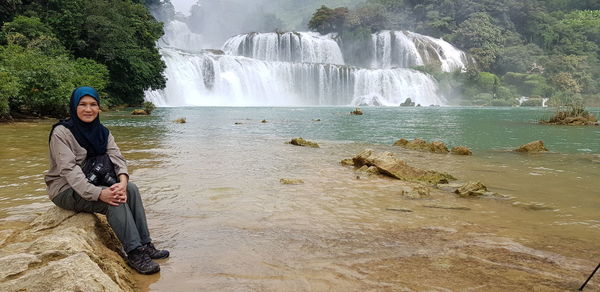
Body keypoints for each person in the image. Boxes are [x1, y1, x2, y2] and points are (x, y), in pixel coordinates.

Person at [45, 86, 169, 275]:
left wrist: (123, 181)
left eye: (93, 104)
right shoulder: (62, 133)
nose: (89, 109)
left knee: (131, 189)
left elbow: (117, 157)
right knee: (114, 201)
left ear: (99, 108)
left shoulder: (103, 132)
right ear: (73, 107)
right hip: (65, 189)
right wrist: (99, 193)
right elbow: (69, 170)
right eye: (83, 104)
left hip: (93, 180)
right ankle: (134, 252)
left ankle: (145, 244)